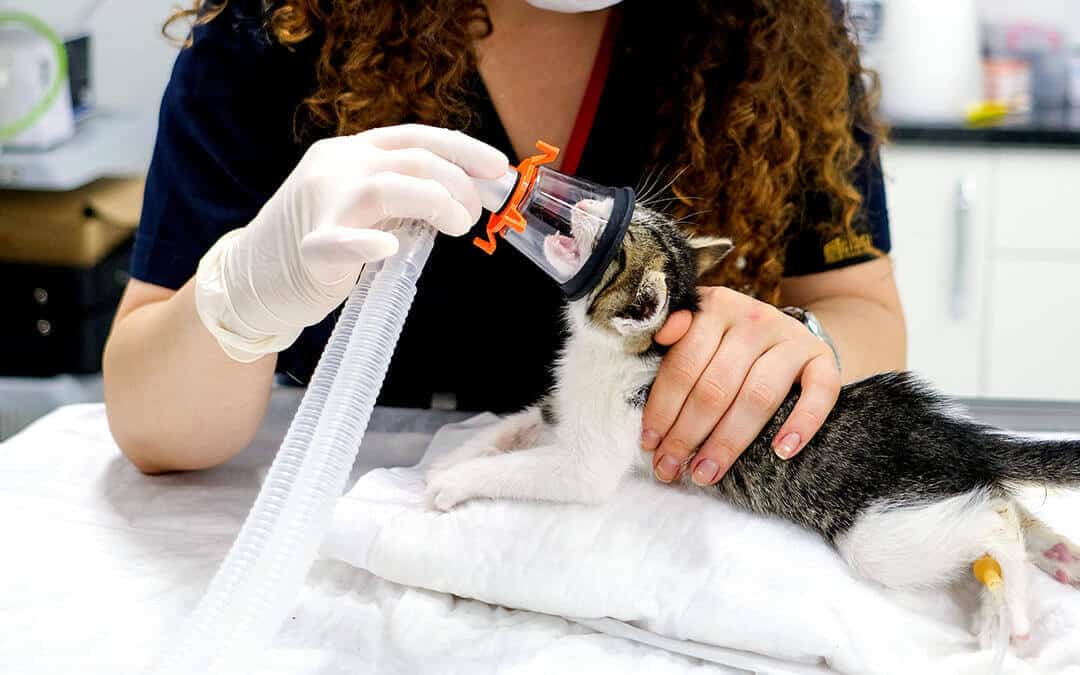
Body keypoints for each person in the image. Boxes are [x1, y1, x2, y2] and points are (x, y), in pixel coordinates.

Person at [103, 0, 906, 486]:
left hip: (636, 512)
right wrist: (250, 292)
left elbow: (860, 308)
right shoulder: (280, 24)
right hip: (348, 519)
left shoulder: (776, 35)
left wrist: (796, 349)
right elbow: (157, 432)